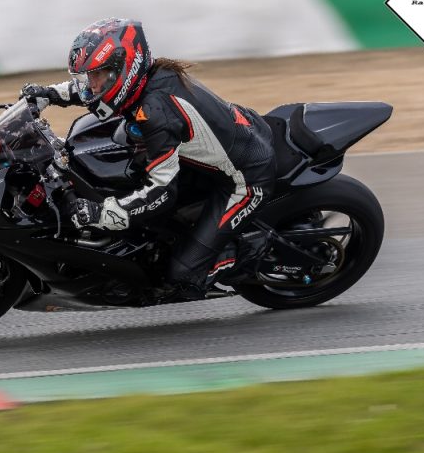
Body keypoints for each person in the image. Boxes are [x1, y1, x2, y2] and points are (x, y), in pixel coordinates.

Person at [22, 17, 276, 301]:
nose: (90, 86)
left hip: (245, 179)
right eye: (87, 77)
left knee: (180, 277)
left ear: (123, 69)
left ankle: (243, 252)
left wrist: (101, 214)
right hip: (219, 152)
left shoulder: (156, 112)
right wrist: (47, 94)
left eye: (97, 75)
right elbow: (93, 92)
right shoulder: (143, 80)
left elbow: (161, 192)